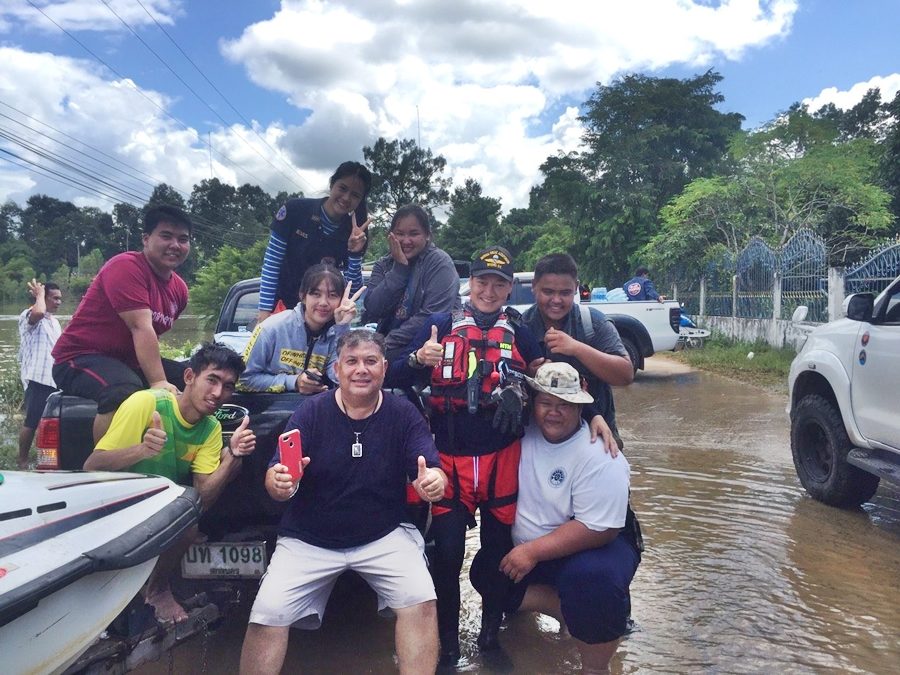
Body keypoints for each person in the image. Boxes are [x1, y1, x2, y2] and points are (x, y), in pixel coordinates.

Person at [239, 330, 447, 675]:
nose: (360, 370)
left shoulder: (404, 413)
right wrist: (277, 482)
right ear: (337, 368)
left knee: (421, 600)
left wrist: (433, 482)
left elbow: (430, 469)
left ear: (384, 368)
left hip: (383, 534)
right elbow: (277, 480)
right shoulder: (311, 412)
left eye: (370, 361)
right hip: (308, 537)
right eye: (351, 362)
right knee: (267, 613)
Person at [388, 245, 546, 665]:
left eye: (498, 284)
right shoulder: (440, 324)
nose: (489, 291)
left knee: (496, 553)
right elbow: (393, 370)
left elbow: (552, 384)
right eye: (481, 282)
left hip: (502, 458)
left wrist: (526, 391)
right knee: (447, 554)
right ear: (469, 284)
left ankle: (490, 634)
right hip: (449, 460)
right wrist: (418, 358)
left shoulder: (522, 331)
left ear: (510, 289)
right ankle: (448, 644)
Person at [471, 362, 641, 674]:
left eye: (565, 405)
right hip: (534, 548)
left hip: (595, 545)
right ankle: (566, 611)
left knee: (592, 583)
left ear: (581, 405)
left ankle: (596, 665)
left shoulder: (601, 454)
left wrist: (532, 552)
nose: (554, 412)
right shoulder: (519, 430)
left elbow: (600, 530)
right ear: (532, 403)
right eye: (546, 403)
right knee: (484, 572)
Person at [83, 342, 257, 623]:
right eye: (211, 380)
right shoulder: (147, 403)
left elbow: (202, 498)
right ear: (189, 377)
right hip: (115, 504)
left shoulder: (210, 428)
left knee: (188, 522)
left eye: (227, 386)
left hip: (156, 510)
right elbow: (92, 466)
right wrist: (141, 450)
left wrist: (232, 456)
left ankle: (157, 589)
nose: (217, 393)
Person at [52, 205, 192, 443]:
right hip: (79, 357)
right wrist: (158, 382)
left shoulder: (179, 290)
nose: (175, 245)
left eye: (183, 239)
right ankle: (104, 466)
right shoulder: (126, 267)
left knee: (196, 378)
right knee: (123, 390)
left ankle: (185, 455)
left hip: (126, 361)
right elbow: (141, 327)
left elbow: (152, 337)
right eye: (166, 236)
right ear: (146, 239)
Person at [523, 253, 634, 450]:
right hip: (538, 438)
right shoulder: (521, 328)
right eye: (548, 291)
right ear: (534, 286)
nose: (556, 300)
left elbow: (625, 375)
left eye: (565, 293)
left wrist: (576, 348)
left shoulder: (593, 323)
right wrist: (528, 373)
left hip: (596, 433)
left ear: (576, 288)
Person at [256, 161, 372, 324]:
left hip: (322, 319)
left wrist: (354, 253)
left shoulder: (355, 233)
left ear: (360, 200)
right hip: (282, 311)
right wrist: (264, 313)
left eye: (355, 195)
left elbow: (351, 292)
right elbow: (272, 264)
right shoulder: (295, 210)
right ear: (332, 184)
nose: (346, 198)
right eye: (343, 188)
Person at [237, 264, 364, 393]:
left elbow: (341, 377)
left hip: (317, 409)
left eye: (332, 295)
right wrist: (294, 382)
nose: (324, 302)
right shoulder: (271, 328)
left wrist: (342, 327)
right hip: (271, 409)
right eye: (316, 294)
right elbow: (242, 380)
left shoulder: (337, 334)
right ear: (302, 296)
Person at [362, 204, 461, 361]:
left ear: (427, 235)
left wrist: (384, 343)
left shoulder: (439, 263)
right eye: (400, 234)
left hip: (427, 348)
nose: (406, 241)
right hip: (387, 346)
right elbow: (373, 309)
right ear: (391, 235)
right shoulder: (383, 264)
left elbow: (432, 316)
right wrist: (399, 270)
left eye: (414, 234)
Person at [17, 279, 63, 468]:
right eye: (55, 298)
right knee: (32, 421)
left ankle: (47, 459)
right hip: (38, 379)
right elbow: (38, 311)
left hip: (54, 380)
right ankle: (22, 461)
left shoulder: (54, 321)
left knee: (51, 422)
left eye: (60, 299)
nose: (59, 302)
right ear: (43, 298)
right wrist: (39, 295)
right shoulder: (29, 314)